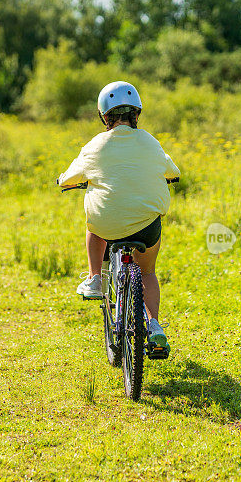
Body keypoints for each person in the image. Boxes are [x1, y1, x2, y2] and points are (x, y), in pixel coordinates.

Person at [57, 81, 180, 350]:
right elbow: (172, 170)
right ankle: (155, 325)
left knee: (93, 222)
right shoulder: (150, 142)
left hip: (107, 225)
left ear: (104, 116)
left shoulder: (95, 145)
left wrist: (63, 181)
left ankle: (95, 279)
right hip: (146, 227)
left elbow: (71, 176)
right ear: (136, 114)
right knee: (147, 273)